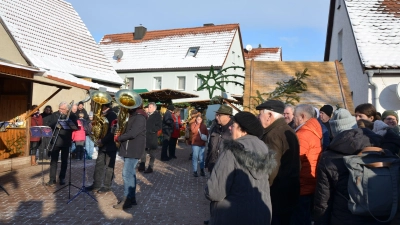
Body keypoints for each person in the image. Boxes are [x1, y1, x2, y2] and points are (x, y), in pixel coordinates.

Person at [313, 108, 392, 225]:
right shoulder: (380, 149)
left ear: (334, 132)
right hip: (380, 216)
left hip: (344, 217)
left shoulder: (329, 158)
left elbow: (323, 200)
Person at [205, 111, 276, 225]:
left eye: (233, 126)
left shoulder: (231, 152)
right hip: (261, 216)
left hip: (232, 217)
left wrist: (207, 188)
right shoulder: (264, 149)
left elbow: (215, 192)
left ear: (243, 131)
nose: (230, 129)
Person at [256, 100, 300, 225]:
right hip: (289, 191)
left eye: (260, 114)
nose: (259, 117)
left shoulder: (273, 134)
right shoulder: (288, 130)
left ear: (269, 115)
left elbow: (271, 169)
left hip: (277, 194)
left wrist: (264, 192)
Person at [291, 104, 322, 225]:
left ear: (302, 116)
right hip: (310, 182)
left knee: (299, 219)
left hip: (302, 185)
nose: (293, 118)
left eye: (295, 115)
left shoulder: (303, 134)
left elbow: (296, 162)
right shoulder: (313, 131)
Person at [113, 107, 147, 209]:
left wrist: (118, 137)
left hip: (133, 149)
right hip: (130, 149)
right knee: (131, 174)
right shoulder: (134, 116)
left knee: (126, 174)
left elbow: (132, 133)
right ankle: (131, 198)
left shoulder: (140, 117)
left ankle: (126, 200)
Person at [44, 101, 78, 186]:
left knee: (64, 161)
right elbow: (49, 123)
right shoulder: (55, 114)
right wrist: (57, 123)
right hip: (55, 140)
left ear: (67, 109)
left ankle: (62, 178)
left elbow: (75, 126)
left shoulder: (72, 115)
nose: (61, 110)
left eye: (63, 109)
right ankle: (52, 179)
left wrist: (68, 122)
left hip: (65, 141)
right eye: (60, 108)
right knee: (53, 161)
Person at [86, 103, 118, 193]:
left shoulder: (112, 114)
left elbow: (113, 131)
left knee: (109, 167)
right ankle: (96, 184)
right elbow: (99, 127)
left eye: (100, 106)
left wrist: (102, 141)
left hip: (110, 145)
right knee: (99, 165)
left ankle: (107, 186)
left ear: (104, 106)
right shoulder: (102, 115)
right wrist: (92, 126)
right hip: (102, 145)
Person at [205, 105, 234, 173]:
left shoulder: (235, 129)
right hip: (213, 165)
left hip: (227, 169)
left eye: (219, 115)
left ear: (228, 116)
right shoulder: (214, 127)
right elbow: (210, 147)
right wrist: (207, 163)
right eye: (216, 115)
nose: (216, 117)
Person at [140, 102, 162, 173]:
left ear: (154, 108)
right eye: (148, 107)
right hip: (144, 136)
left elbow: (159, 126)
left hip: (152, 137)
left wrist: (151, 130)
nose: (148, 108)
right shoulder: (146, 115)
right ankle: (142, 165)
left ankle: (150, 167)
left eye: (150, 107)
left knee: (152, 153)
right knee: (143, 152)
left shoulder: (157, 115)